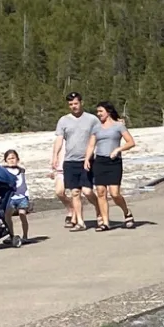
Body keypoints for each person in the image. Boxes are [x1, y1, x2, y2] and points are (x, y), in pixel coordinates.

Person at [51, 92, 99, 231]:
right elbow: (59, 139)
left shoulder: (92, 119)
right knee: (75, 193)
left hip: (87, 160)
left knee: (87, 191)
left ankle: (99, 208)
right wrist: (55, 156)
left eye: (76, 103)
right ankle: (80, 222)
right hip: (70, 161)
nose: (73, 106)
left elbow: (102, 132)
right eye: (71, 104)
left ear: (81, 103)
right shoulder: (64, 120)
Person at [88, 102, 137, 230]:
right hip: (100, 161)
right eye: (97, 112)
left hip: (114, 162)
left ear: (108, 112)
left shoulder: (118, 126)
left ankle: (127, 212)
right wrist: (87, 159)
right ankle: (105, 222)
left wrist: (118, 149)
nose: (98, 114)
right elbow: (91, 145)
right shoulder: (96, 127)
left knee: (115, 193)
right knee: (100, 192)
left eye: (101, 111)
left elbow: (131, 142)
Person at [2, 149, 31, 246]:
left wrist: (27, 196)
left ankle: (25, 236)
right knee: (7, 216)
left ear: (17, 159)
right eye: (9, 159)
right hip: (11, 197)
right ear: (6, 160)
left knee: (22, 215)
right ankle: (11, 235)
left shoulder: (21, 171)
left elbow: (23, 184)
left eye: (13, 158)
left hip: (22, 196)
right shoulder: (4, 171)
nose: (11, 160)